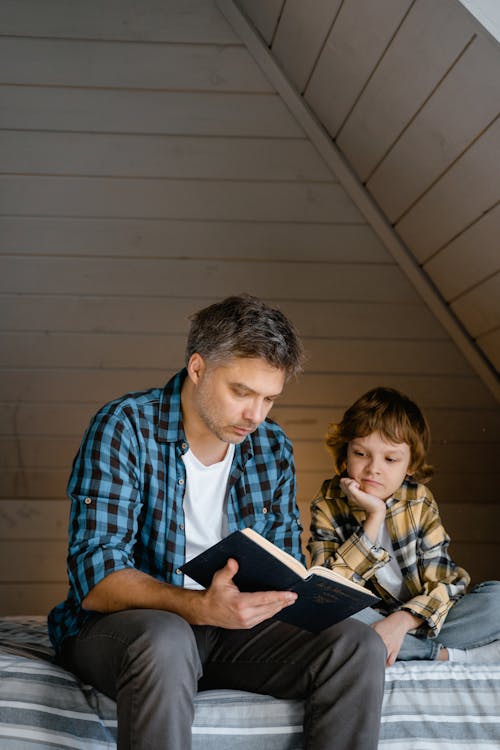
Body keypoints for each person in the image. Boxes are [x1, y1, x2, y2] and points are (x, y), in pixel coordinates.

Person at [48, 294, 386, 750]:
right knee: (166, 639)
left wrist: (297, 595)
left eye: (269, 398)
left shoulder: (270, 445)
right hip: (134, 629)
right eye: (242, 392)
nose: (256, 415)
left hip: (229, 631)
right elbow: (97, 577)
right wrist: (199, 606)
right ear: (198, 367)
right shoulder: (124, 426)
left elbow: (284, 557)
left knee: (358, 645)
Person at [308, 386, 500, 667]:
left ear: (410, 465)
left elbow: (445, 582)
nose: (374, 468)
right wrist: (374, 517)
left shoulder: (418, 500)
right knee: (328, 615)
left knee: (496, 600)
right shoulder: (327, 502)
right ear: (345, 453)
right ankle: (445, 656)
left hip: (421, 619)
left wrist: (401, 621)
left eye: (390, 459)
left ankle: (398, 646)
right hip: (367, 618)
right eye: (361, 453)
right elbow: (329, 591)